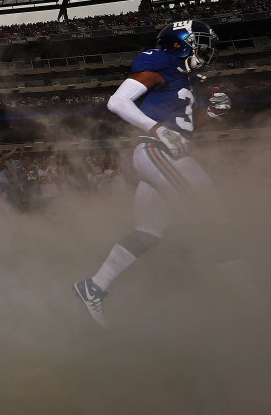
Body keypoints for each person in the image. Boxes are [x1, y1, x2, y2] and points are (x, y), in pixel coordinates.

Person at [74, 20, 253, 328]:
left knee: (149, 230)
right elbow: (117, 102)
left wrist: (211, 113)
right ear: (179, 42)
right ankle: (255, 306)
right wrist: (157, 130)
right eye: (201, 41)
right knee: (212, 219)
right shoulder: (162, 62)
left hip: (169, 149)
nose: (207, 49)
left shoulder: (186, 77)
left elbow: (185, 124)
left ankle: (94, 286)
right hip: (160, 150)